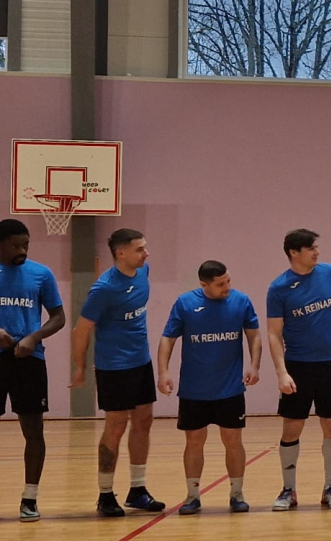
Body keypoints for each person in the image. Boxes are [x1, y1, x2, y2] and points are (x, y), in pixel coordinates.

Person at [71, 228, 166, 517]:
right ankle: (105, 494)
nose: (146, 253)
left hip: (141, 361)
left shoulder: (143, 272)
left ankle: (137, 490)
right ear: (121, 253)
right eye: (140, 249)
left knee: (144, 420)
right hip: (114, 366)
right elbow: (81, 331)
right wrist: (80, 368)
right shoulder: (104, 289)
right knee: (116, 425)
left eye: (145, 247)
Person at [156, 261, 262, 514]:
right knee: (194, 441)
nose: (227, 287)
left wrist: (254, 365)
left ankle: (237, 494)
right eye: (220, 284)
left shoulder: (241, 301)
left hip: (230, 388)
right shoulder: (185, 304)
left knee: (233, 440)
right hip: (194, 389)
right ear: (204, 284)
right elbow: (168, 338)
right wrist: (163, 372)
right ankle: (192, 496)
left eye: (228, 281)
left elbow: (254, 335)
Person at [266, 229, 331, 511]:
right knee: (292, 427)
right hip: (298, 366)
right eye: (311, 248)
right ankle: (288, 490)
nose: (317, 252)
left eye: (317, 247)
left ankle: (330, 487)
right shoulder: (279, 288)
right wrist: (281, 372)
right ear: (294, 252)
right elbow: (273, 334)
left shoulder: (330, 273)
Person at [0, 218, 65, 521]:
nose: (22, 250)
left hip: (29, 359)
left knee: (34, 431)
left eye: (26, 244)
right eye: (15, 245)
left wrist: (34, 337)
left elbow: (58, 317)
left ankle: (30, 498)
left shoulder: (41, 274)